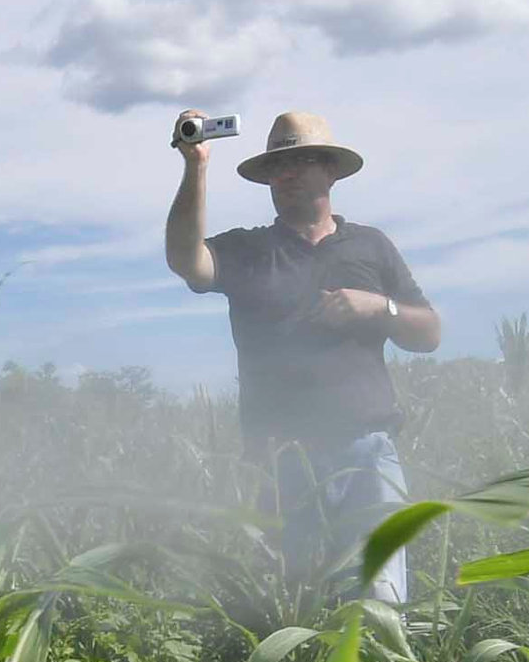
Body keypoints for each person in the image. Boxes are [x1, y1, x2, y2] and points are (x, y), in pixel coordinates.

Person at [162, 108, 442, 602]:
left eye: (301, 161)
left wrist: (380, 307)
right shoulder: (248, 250)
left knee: (378, 603)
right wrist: (196, 165)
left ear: (331, 170)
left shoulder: (371, 247)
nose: (285, 174)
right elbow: (187, 261)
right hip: (281, 457)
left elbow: (429, 333)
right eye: (276, 167)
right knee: (296, 603)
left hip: (367, 455)